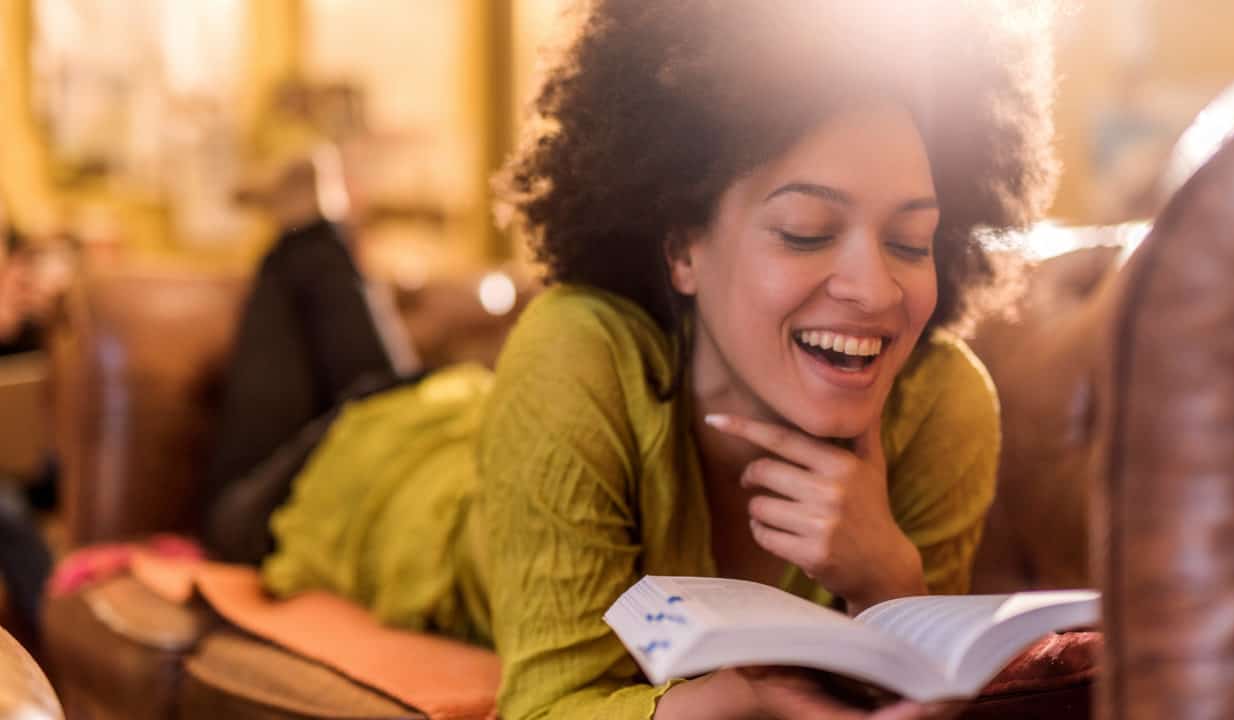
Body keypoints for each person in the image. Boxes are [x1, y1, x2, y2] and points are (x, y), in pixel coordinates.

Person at [258, 1, 1058, 718]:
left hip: (470, 417)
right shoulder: (575, 349)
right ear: (682, 247)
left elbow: (914, 694)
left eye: (909, 241)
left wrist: (891, 583)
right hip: (368, 481)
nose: (876, 289)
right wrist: (735, 702)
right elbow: (545, 706)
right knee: (305, 405)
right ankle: (310, 237)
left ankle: (315, 243)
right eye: (807, 230)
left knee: (355, 341)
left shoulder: (945, 404)